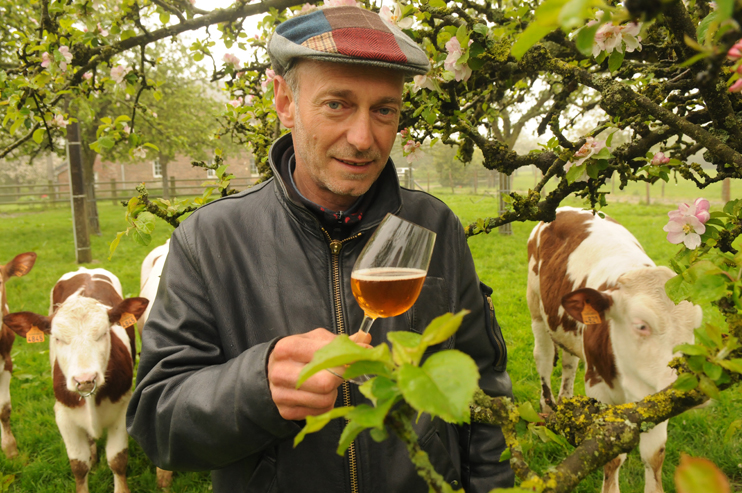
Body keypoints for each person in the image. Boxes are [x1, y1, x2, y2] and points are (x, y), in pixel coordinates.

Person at [126, 5, 514, 492]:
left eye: (384, 110)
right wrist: (256, 389)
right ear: (285, 101)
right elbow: (157, 426)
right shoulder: (208, 241)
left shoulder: (434, 226)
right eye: (337, 104)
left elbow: (484, 381)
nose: (363, 138)